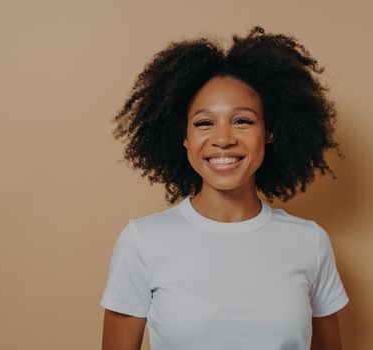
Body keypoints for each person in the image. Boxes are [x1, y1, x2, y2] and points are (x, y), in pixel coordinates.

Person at [100, 25, 350, 350]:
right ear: (185, 138)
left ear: (270, 131)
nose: (222, 139)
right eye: (204, 123)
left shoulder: (310, 242)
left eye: (242, 120)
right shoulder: (142, 242)